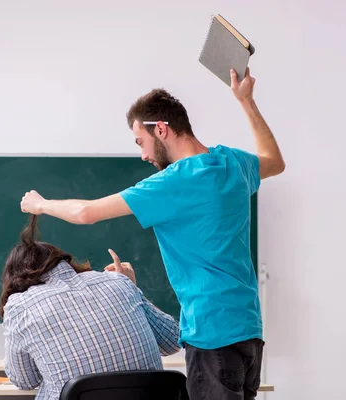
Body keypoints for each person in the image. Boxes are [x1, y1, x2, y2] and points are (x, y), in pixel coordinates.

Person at [20, 68, 285, 399]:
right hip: (248, 330)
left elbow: (86, 212)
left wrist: (41, 204)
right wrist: (246, 101)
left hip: (212, 334)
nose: (143, 154)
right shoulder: (232, 162)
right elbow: (275, 161)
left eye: (141, 142)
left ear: (161, 129)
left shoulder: (171, 182)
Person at [0, 215, 180, 400]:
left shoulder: (20, 307)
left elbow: (25, 381)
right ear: (64, 260)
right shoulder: (118, 282)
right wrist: (130, 286)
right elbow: (173, 341)